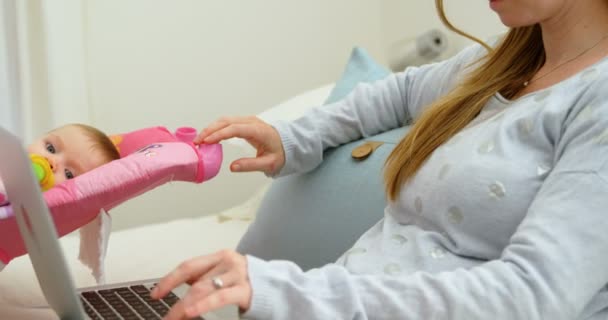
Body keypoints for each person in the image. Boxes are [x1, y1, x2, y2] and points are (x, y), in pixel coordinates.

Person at [153, 0, 608, 319]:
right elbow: (402, 91)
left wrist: (293, 295)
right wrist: (292, 138)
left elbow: (535, 300)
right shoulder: (503, 64)